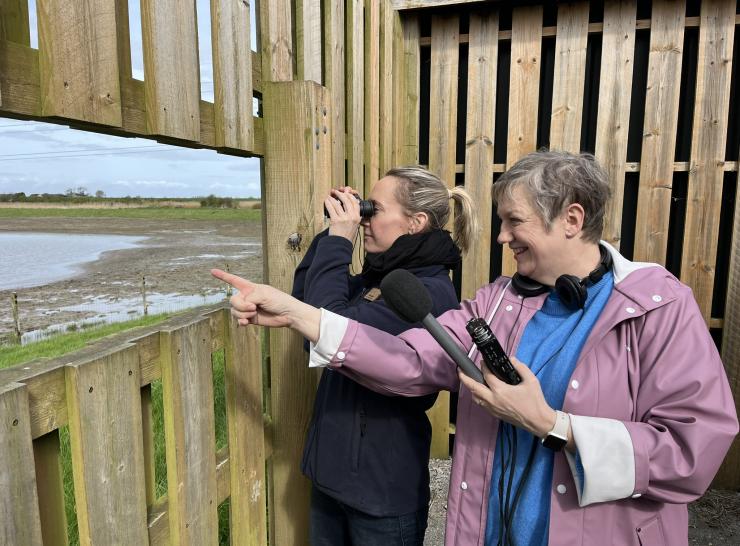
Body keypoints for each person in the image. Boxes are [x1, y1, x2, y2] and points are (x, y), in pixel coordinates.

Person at [213, 150, 738, 546]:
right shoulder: (497, 301)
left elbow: (694, 451)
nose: (502, 237)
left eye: (515, 222)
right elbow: (414, 358)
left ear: (572, 220)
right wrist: (300, 314)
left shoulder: (655, 305)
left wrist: (554, 424)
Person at [291, 167, 478, 545]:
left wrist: (341, 242)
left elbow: (329, 330)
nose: (363, 219)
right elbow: (306, 313)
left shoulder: (424, 294)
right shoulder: (378, 279)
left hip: (381, 491)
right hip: (334, 476)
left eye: (373, 209)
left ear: (415, 222)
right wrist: (332, 235)